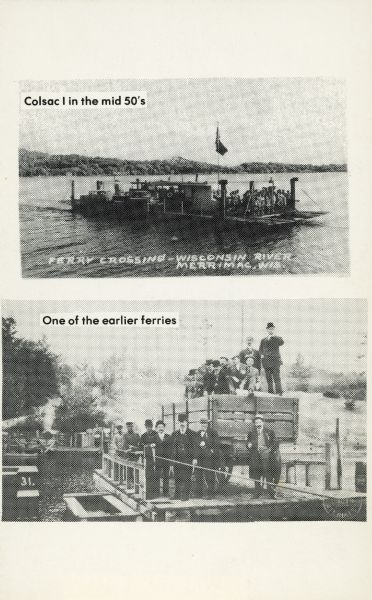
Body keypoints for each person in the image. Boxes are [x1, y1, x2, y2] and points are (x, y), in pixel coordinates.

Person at [246, 414, 281, 499]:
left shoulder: (269, 432)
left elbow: (276, 443)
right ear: (254, 424)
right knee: (256, 474)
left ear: (263, 422)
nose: (258, 423)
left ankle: (272, 493)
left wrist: (270, 450)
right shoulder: (251, 433)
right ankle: (257, 493)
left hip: (266, 455)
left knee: (268, 474)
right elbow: (247, 443)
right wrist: (249, 445)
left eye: (260, 422)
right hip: (256, 455)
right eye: (256, 422)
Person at [170, 413, 198, 500]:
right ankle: (177, 495)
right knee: (177, 477)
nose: (182, 424)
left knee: (186, 478)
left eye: (184, 422)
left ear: (187, 422)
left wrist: (195, 458)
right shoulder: (175, 434)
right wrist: (172, 461)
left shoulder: (192, 434)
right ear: (178, 423)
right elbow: (172, 448)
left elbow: (195, 447)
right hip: (177, 459)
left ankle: (186, 496)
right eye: (180, 422)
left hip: (188, 460)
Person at [194, 417, 220, 497]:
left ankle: (210, 494)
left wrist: (209, 449)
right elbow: (195, 446)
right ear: (200, 424)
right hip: (200, 458)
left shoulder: (213, 432)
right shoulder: (198, 433)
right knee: (198, 476)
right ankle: (199, 494)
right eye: (202, 423)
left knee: (210, 476)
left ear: (208, 424)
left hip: (209, 458)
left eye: (205, 423)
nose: (203, 425)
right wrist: (195, 458)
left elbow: (216, 444)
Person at [259, 322, 284, 395]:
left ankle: (279, 392)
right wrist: (262, 355)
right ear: (267, 330)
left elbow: (282, 343)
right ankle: (270, 393)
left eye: (272, 329)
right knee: (269, 378)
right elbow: (260, 349)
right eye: (269, 329)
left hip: (275, 362)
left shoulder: (277, 338)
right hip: (266, 362)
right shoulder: (263, 340)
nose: (271, 330)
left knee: (276, 378)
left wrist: (274, 336)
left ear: (274, 330)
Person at [140, 419, 158, 499]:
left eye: (150, 427)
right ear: (145, 427)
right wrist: (145, 446)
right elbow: (140, 445)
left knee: (155, 474)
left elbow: (158, 443)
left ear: (152, 427)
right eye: (147, 427)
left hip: (155, 457)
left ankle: (155, 492)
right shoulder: (143, 436)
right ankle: (148, 493)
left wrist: (155, 445)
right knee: (148, 475)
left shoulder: (156, 434)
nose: (149, 428)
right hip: (147, 458)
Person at [154, 420, 171, 497]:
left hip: (166, 460)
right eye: (159, 427)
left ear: (164, 428)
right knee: (157, 475)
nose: (161, 428)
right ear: (157, 428)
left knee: (166, 476)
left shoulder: (168, 437)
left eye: (162, 427)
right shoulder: (154, 437)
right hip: (158, 460)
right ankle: (157, 492)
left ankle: (166, 492)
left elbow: (171, 448)